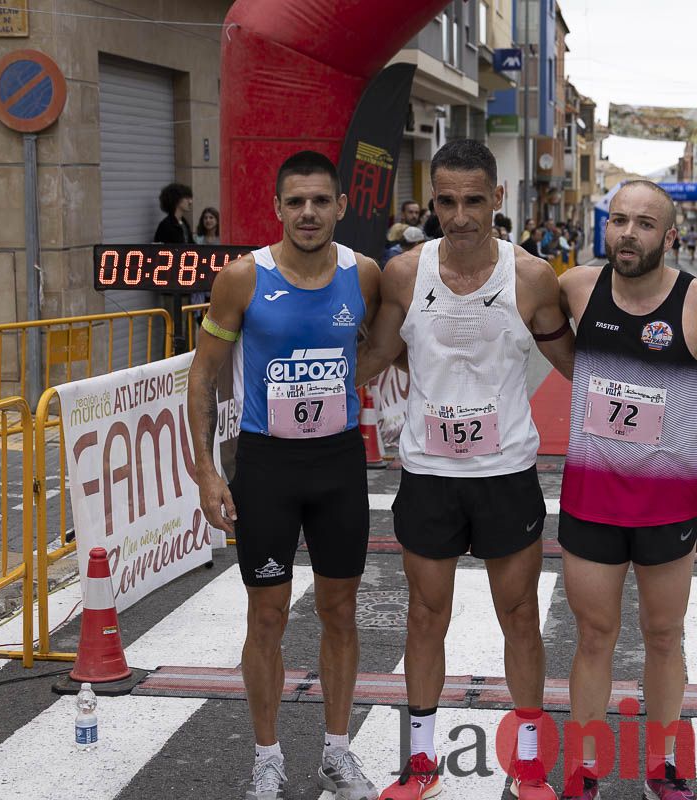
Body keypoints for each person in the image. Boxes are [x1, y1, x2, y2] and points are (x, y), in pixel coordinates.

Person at [356, 139, 575, 800]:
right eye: (446, 202)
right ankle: (422, 763)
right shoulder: (404, 273)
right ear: (432, 201)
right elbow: (377, 356)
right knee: (426, 617)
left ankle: (529, 763)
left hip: (506, 473)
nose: (459, 216)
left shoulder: (531, 277)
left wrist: (658, 384)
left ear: (497, 198)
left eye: (474, 201)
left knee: (520, 617)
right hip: (428, 475)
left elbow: (575, 364)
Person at [188, 151, 382, 800]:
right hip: (267, 465)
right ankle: (267, 757)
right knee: (266, 616)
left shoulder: (364, 274)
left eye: (320, 201)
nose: (308, 213)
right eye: (295, 201)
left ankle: (337, 752)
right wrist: (207, 472)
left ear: (340, 206)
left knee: (340, 611)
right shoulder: (243, 279)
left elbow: (385, 343)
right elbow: (203, 375)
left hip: (338, 464)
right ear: (276, 208)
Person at [556, 181, 697, 800]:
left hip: (666, 504)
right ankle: (585, 767)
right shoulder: (577, 287)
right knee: (594, 636)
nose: (628, 233)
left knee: (664, 636)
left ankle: (663, 765)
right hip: (591, 499)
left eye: (644, 224)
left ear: (669, 236)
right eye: (618, 220)